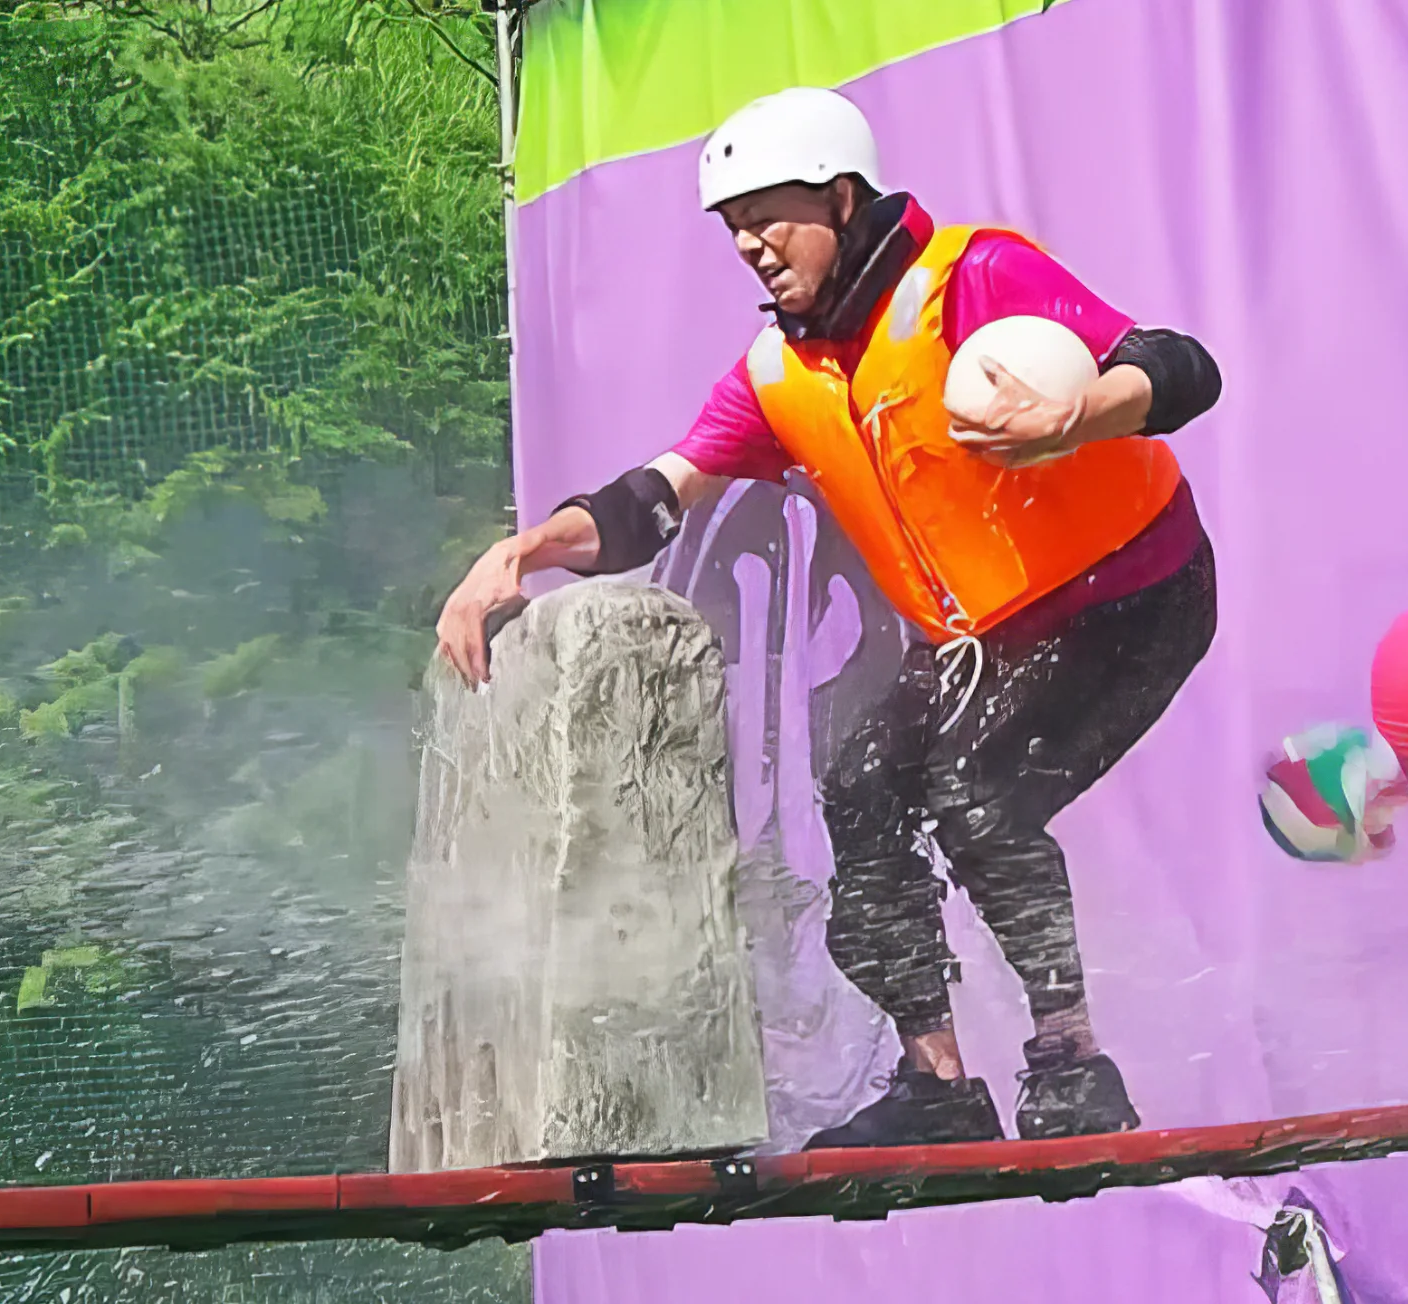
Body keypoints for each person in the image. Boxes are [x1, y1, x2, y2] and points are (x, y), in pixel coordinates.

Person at [434, 87, 1222, 1148]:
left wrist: (1078, 411)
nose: (751, 244)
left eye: (770, 214)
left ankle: (1072, 1063)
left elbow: (1179, 365)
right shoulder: (778, 376)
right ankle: (938, 1083)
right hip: (987, 639)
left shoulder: (973, 278)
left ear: (843, 199)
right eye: (733, 227)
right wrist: (517, 553)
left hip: (1137, 597)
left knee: (977, 792)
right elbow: (649, 503)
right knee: (857, 783)